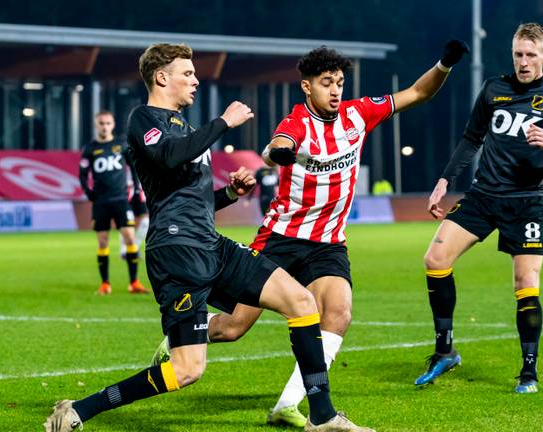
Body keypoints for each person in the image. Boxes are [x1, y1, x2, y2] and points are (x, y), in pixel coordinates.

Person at [44, 43, 372, 432]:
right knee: (186, 370)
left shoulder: (185, 127)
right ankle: (80, 409)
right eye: (187, 73)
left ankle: (322, 416)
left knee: (301, 302)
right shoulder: (143, 119)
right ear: (162, 77)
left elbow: (189, 198)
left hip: (209, 242)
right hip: (176, 252)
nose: (195, 80)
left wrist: (230, 194)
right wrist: (222, 123)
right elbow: (168, 156)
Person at [150, 41, 470, 427]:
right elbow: (279, 144)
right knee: (234, 327)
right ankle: (177, 340)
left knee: (338, 312)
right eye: (326, 83)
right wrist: (283, 152)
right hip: (282, 239)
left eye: (339, 82)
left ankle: (288, 405)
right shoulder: (296, 123)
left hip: (328, 244)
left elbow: (418, 92)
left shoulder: (358, 114)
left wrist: (445, 63)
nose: (335, 90)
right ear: (307, 86)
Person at [414, 22, 543, 394]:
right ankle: (445, 351)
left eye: (530, 55)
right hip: (483, 196)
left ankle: (528, 372)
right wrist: (444, 180)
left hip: (526, 204)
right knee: (435, 259)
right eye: (517, 54)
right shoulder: (494, 88)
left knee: (526, 284)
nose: (523, 62)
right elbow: (472, 138)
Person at [79, 111, 148, 295]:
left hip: (120, 200)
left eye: (108, 123)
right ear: (96, 125)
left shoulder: (121, 145)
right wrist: (88, 192)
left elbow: (133, 167)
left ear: (113, 124)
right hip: (101, 202)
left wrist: (134, 189)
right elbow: (83, 174)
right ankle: (105, 284)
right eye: (101, 123)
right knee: (102, 242)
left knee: (130, 238)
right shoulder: (90, 148)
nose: (104, 126)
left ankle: (134, 283)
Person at [119, 179, 149, 259]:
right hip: (128, 191)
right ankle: (123, 250)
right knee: (127, 222)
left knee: (145, 222)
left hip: (141, 191)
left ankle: (135, 248)